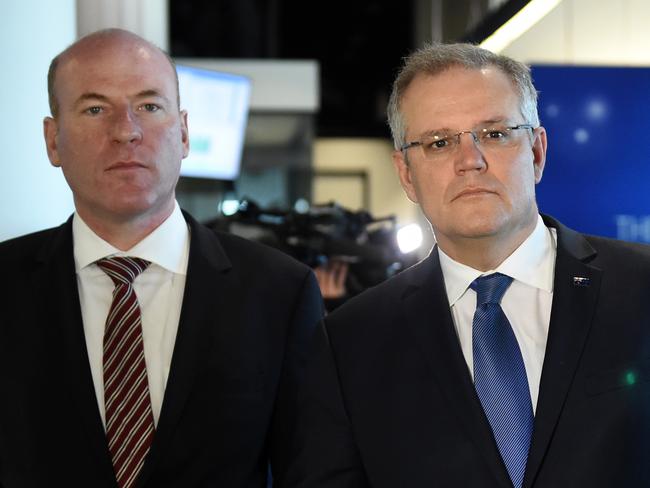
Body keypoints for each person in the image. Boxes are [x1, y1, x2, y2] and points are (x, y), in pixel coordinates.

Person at [285, 43, 650, 488]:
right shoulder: (349, 345)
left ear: (536, 151)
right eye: (439, 143)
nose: (469, 161)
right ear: (405, 173)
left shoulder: (641, 287)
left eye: (494, 134)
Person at [0, 28, 323, 488]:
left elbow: (309, 474)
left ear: (185, 132)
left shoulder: (279, 293)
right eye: (95, 109)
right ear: (53, 141)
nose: (126, 131)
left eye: (149, 106)